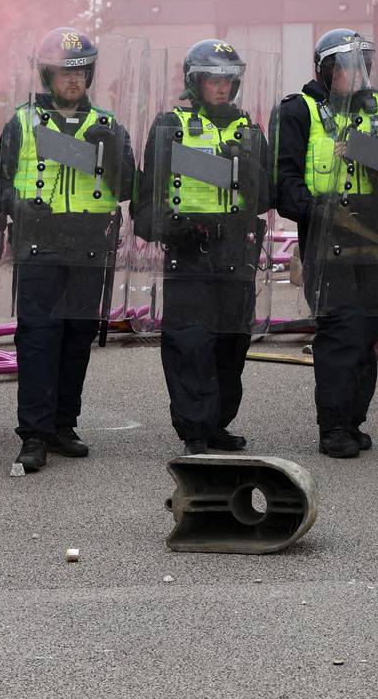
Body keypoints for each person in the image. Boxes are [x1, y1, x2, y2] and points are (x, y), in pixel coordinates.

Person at [0, 28, 134, 472]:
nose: (73, 80)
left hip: (90, 244)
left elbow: (131, 188)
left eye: (80, 71)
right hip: (39, 241)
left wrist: (113, 159)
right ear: (47, 74)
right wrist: (13, 204)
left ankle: (63, 425)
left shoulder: (108, 125)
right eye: (64, 72)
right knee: (38, 340)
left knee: (76, 340)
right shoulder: (23, 121)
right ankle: (33, 434)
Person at [271, 29, 378, 458]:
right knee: (340, 333)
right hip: (325, 239)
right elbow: (283, 180)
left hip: (373, 239)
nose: (355, 72)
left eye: (360, 64)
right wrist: (317, 211)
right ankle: (333, 427)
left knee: (369, 332)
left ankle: (353, 420)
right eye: (345, 65)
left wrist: (363, 148)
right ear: (326, 69)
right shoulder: (299, 112)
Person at [133, 39, 271, 455]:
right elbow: (146, 202)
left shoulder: (250, 130)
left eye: (228, 80)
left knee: (232, 344)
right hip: (188, 252)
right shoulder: (168, 127)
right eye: (213, 79)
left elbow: (265, 198)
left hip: (235, 255)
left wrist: (245, 169)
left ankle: (216, 424)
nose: (222, 87)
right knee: (191, 345)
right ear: (195, 81)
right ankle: (195, 429)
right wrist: (172, 228)